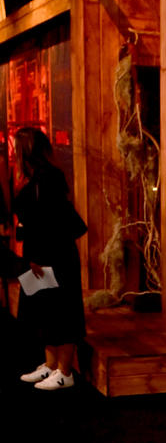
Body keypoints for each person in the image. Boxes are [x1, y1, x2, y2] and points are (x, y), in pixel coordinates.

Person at [14, 128, 86, 390]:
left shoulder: (49, 178)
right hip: (40, 255)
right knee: (44, 311)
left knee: (62, 312)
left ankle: (65, 371)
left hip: (55, 256)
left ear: (26, 151)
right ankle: (51, 364)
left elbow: (57, 220)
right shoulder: (37, 178)